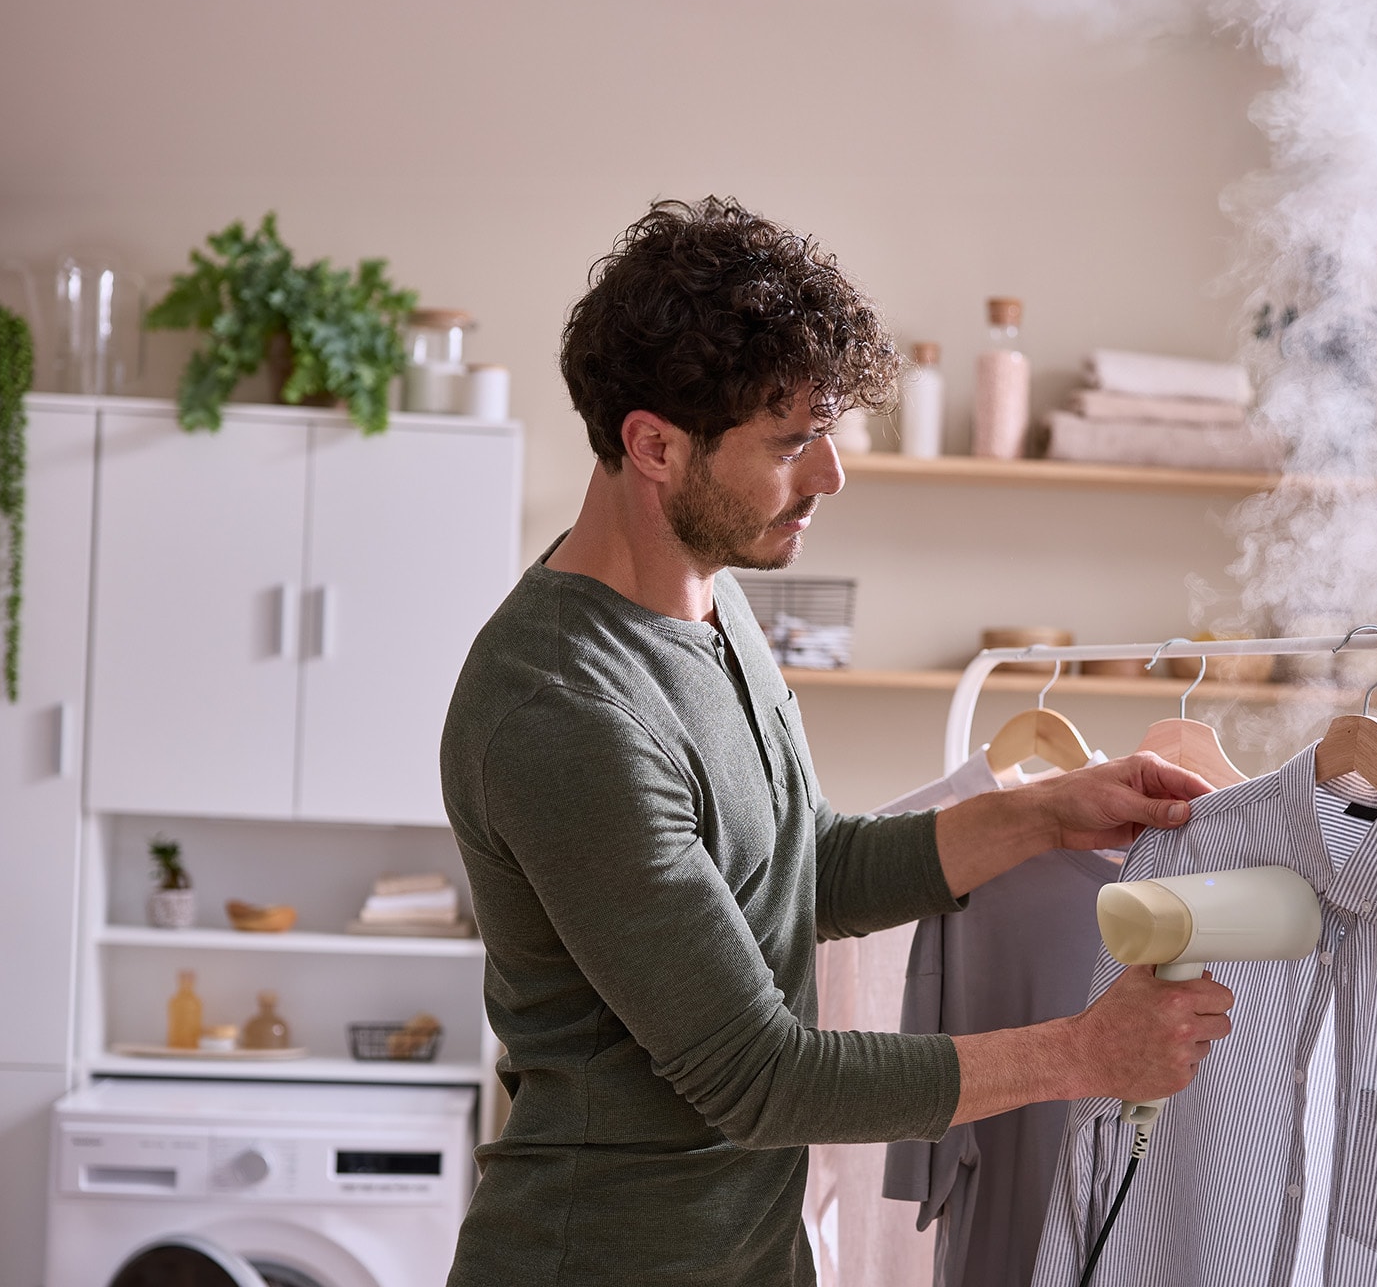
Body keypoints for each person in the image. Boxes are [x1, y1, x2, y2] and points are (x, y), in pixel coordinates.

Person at [439, 197, 1235, 1285]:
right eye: (792, 444)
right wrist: (1084, 1054)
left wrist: (1047, 814)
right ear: (653, 445)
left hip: (753, 1259)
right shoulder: (563, 708)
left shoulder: (713, 602)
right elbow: (759, 1078)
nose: (829, 476)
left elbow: (802, 869)